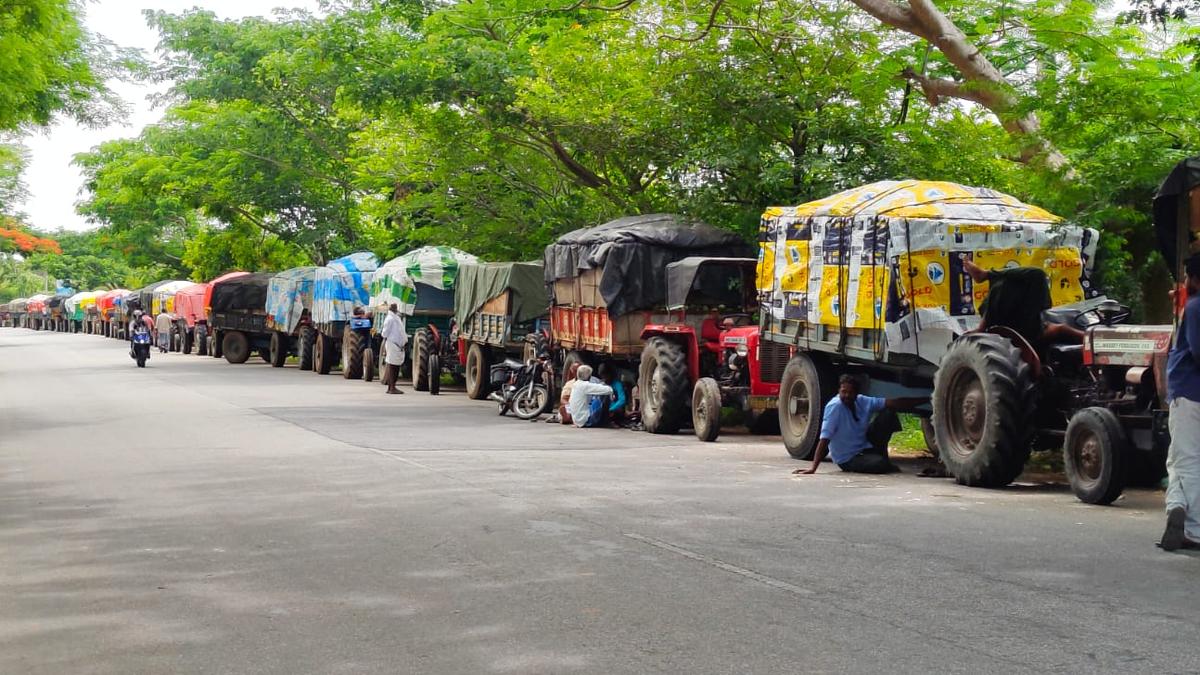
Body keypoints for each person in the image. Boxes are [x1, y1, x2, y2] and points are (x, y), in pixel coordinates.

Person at [794, 374, 928, 475]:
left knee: (889, 412)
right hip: (848, 458)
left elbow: (894, 402)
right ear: (839, 391)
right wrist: (813, 468)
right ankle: (883, 462)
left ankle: (882, 457)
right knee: (879, 464)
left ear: (857, 393)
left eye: (850, 392)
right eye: (843, 392)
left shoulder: (862, 401)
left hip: (864, 446)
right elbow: (824, 438)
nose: (846, 395)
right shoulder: (835, 407)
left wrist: (928, 399)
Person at [1161, 255, 1200, 551]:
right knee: (1177, 457)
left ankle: (1194, 528)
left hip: (1188, 392)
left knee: (1186, 460)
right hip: (1188, 393)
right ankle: (1176, 506)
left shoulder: (1196, 307)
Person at [962, 258, 1084, 347]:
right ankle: (986, 275)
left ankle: (986, 275)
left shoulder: (1003, 291)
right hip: (1025, 329)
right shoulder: (1001, 295)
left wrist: (1095, 338)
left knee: (1027, 277)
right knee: (1036, 274)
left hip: (1028, 323)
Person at [380, 303, 407, 395]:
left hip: (397, 345)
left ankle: (391, 387)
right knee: (392, 366)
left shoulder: (396, 318)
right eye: (394, 307)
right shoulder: (390, 319)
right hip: (392, 344)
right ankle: (392, 387)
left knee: (395, 365)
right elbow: (384, 333)